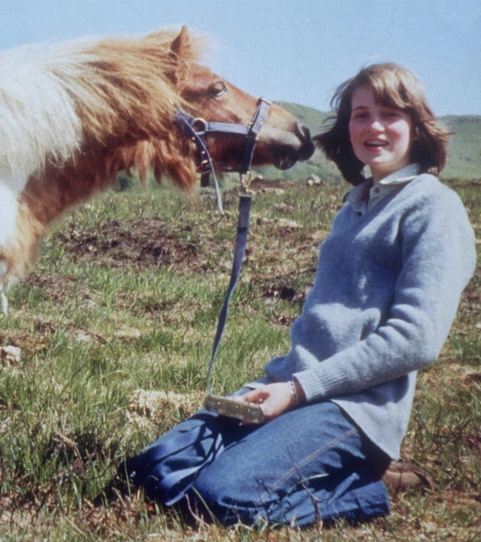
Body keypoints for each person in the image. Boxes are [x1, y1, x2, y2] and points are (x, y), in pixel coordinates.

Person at [121, 63, 477, 527]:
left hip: (354, 410)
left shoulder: (435, 208)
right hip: (291, 389)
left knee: (219, 499)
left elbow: (417, 340)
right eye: (360, 114)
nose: (373, 127)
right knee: (152, 469)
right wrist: (286, 386)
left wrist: (297, 390)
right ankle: (303, 459)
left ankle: (367, 489)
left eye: (390, 114)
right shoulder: (353, 208)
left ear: (416, 124)